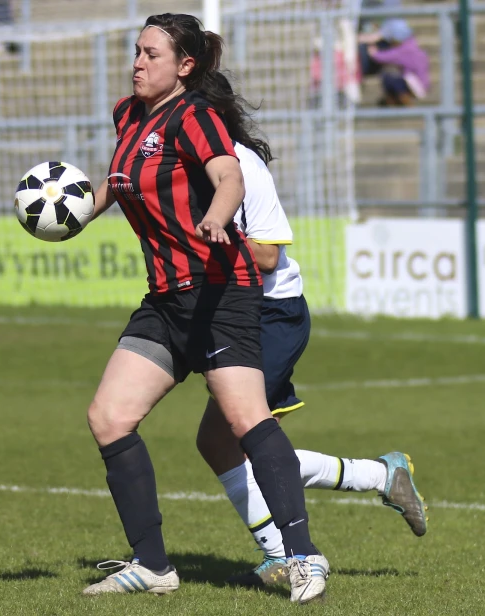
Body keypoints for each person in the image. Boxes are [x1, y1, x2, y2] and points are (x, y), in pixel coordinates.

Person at [81, 13, 328, 604]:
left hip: (219, 292)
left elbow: (229, 177)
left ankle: (304, 558)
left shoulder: (196, 116)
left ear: (185, 66)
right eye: (136, 52)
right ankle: (152, 565)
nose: (137, 63)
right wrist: (71, 214)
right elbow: (118, 184)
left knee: (245, 420)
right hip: (166, 299)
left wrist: (216, 216)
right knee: (109, 417)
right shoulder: (127, 114)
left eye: (151, 55)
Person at [195, 72, 428, 588]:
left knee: (245, 437)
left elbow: (270, 254)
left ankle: (291, 550)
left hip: (270, 314)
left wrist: (215, 236)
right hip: (228, 311)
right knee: (218, 440)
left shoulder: (241, 165)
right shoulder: (182, 162)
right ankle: (379, 478)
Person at [359, 18, 430, 106]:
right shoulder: (413, 45)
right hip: (422, 84)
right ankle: (397, 98)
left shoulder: (405, 50)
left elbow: (383, 57)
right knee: (392, 74)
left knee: (387, 77)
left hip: (416, 86)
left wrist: (373, 52)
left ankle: (401, 98)